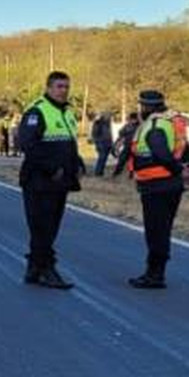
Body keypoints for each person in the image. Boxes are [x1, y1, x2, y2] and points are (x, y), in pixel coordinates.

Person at [16, 71, 84, 290]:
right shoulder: (37, 111)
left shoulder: (67, 113)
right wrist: (51, 168)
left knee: (50, 228)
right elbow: (28, 145)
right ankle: (47, 269)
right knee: (42, 228)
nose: (63, 90)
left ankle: (34, 269)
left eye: (66, 86)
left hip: (60, 182)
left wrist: (77, 164)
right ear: (48, 88)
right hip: (39, 181)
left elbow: (68, 143)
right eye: (59, 86)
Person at [124, 90, 189, 289]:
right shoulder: (171, 121)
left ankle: (154, 275)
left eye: (141, 106)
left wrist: (178, 169)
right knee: (162, 230)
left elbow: (161, 152)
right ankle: (156, 273)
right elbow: (187, 150)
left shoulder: (155, 125)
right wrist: (183, 166)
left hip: (157, 186)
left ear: (146, 106)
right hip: (170, 186)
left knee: (156, 232)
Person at [89, 112, 115, 177]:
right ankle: (97, 172)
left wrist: (111, 143)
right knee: (101, 157)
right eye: (109, 117)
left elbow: (110, 135)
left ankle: (100, 171)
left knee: (104, 158)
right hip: (101, 143)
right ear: (105, 117)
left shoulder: (108, 124)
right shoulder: (98, 123)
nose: (110, 118)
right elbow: (94, 134)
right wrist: (97, 142)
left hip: (107, 143)